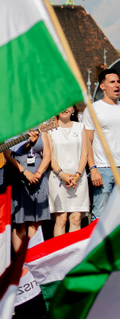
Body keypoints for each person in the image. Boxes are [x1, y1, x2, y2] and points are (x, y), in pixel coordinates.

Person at [49, 106, 89, 237]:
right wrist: (62, 174)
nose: (65, 108)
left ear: (73, 109)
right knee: (61, 219)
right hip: (57, 178)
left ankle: (74, 256)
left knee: (76, 219)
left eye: (68, 105)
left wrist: (77, 175)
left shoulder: (80, 127)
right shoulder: (50, 128)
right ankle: (60, 254)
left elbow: (84, 153)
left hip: (79, 179)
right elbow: (49, 155)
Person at [88, 67, 120, 220]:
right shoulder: (94, 109)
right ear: (102, 86)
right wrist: (93, 169)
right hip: (103, 169)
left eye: (118, 82)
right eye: (112, 82)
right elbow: (87, 142)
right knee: (100, 215)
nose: (117, 85)